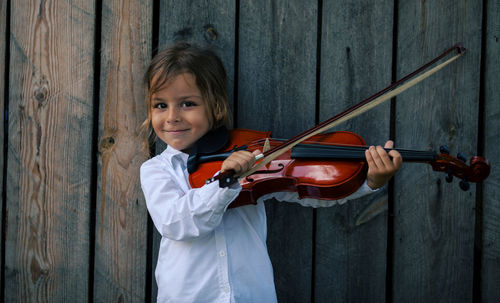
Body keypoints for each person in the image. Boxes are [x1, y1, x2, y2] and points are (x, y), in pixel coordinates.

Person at [140, 42, 402, 302]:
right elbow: (175, 223)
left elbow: (306, 187)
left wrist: (370, 180)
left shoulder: (252, 156)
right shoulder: (156, 170)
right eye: (160, 105)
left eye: (187, 103)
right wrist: (225, 181)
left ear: (216, 107)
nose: (172, 116)